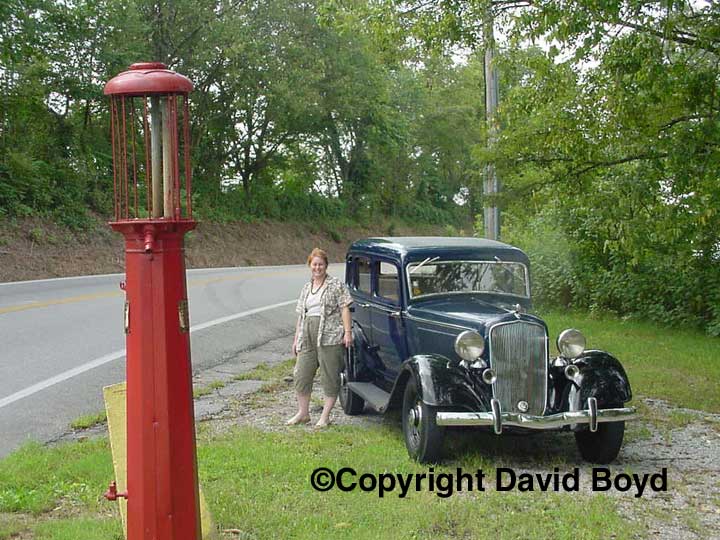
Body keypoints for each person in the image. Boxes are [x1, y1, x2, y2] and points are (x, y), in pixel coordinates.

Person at [287, 248, 353, 427]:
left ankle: (325, 416)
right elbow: (301, 315)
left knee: (329, 375)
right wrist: (296, 340)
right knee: (301, 373)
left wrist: (347, 332)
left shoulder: (335, 285)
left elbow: (345, 307)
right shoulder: (307, 288)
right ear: (310, 265)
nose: (317, 268)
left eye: (321, 264)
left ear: (326, 266)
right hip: (307, 334)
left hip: (329, 336)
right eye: (314, 264)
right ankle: (303, 413)